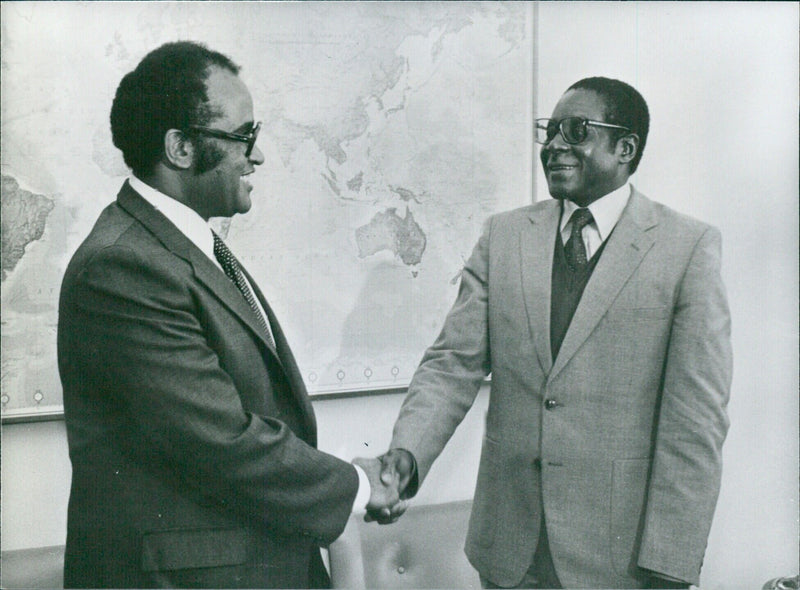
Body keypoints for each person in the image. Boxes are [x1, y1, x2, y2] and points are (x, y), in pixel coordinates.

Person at [370, 77, 732, 589]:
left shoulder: (686, 248)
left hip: (619, 561)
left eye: (576, 130)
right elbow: (453, 364)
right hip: (509, 552)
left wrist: (670, 567)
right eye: (550, 131)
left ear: (625, 148)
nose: (555, 145)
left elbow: (695, 425)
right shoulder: (504, 235)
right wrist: (405, 455)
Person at [57, 41, 395, 589]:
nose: (257, 156)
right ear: (180, 148)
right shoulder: (122, 267)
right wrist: (356, 485)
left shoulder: (182, 247)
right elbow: (217, 438)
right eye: (245, 137)